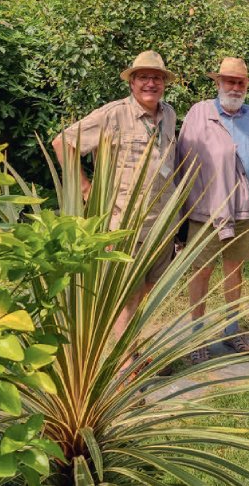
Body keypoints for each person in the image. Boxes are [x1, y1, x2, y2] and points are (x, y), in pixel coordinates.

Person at [52, 50, 178, 338]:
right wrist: (86, 191)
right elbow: (63, 143)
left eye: (157, 78)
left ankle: (131, 346)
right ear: (132, 82)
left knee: (150, 290)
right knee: (125, 295)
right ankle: (123, 365)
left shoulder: (168, 114)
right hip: (124, 224)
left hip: (162, 223)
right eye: (144, 77)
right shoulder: (113, 114)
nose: (151, 83)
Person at [177, 57, 249, 364]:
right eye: (229, 81)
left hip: (243, 209)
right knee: (201, 272)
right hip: (207, 209)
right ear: (218, 83)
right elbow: (182, 160)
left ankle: (231, 330)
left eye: (240, 82)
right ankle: (196, 336)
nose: (235, 87)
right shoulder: (199, 113)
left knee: (235, 268)